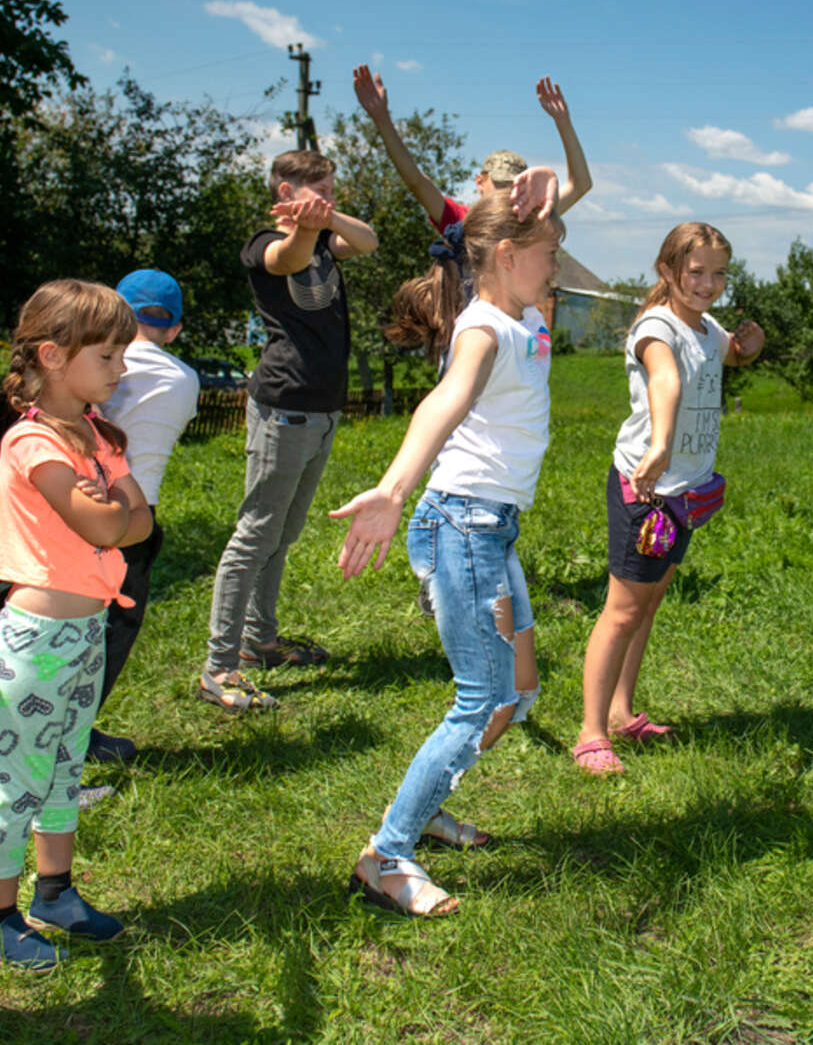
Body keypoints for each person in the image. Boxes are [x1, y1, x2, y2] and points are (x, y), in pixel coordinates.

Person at [330, 177, 561, 918]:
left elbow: (556, 203)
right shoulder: (485, 329)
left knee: (517, 694)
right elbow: (444, 402)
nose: (556, 264)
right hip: (463, 524)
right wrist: (393, 492)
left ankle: (427, 807)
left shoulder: (517, 313)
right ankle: (386, 855)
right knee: (483, 697)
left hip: (493, 528)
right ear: (503, 255)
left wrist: (548, 186)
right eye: (548, 253)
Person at [0, 280, 152, 970]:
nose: (121, 369)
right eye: (111, 356)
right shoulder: (31, 442)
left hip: (85, 635)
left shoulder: (95, 435)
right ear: (53, 356)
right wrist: (112, 511)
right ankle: (3, 912)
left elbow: (140, 522)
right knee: (15, 782)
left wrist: (113, 510)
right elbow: (103, 521)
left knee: (62, 769)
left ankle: (55, 892)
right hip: (36, 645)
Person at [574, 223, 763, 774]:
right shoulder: (657, 326)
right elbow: (665, 380)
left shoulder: (703, 325)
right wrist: (660, 442)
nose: (709, 283)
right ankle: (590, 733)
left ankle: (621, 713)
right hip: (648, 488)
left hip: (686, 492)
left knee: (648, 603)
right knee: (622, 610)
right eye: (697, 272)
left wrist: (750, 349)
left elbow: (727, 355)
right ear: (667, 271)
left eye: (719, 273)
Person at [201, 151, 378, 713]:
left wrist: (325, 219)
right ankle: (219, 667)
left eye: (332, 187)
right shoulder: (263, 243)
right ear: (287, 190)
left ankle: (261, 642)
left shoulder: (328, 237)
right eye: (320, 189)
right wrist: (307, 224)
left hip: (321, 410)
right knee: (255, 534)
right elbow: (286, 259)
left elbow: (368, 242)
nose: (331, 197)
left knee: (283, 532)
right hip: (284, 407)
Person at [89, 270, 199, 771]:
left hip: (67, 502)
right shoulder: (183, 380)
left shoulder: (86, 362)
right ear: (173, 329)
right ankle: (67, 741)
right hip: (133, 515)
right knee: (115, 628)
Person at [352, 64, 592, 229]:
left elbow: (581, 184)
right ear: (480, 182)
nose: (506, 194)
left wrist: (563, 122)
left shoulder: (531, 220)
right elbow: (416, 181)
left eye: (513, 186)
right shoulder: (460, 220)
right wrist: (381, 118)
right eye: (499, 184)